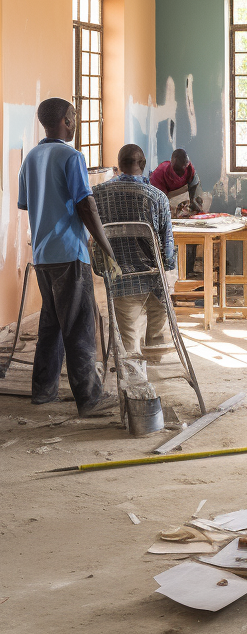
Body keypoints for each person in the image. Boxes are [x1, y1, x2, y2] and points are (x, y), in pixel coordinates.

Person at [17, 97, 120, 416]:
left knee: (51, 321)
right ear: (65, 120)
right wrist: (106, 246)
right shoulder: (72, 156)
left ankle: (43, 390)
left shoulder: (31, 158)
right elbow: (85, 204)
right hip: (69, 253)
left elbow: (26, 204)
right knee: (78, 323)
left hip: (43, 255)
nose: (75, 120)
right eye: (73, 115)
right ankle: (89, 398)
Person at [93, 144, 177, 361]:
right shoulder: (157, 197)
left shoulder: (98, 194)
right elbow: (167, 252)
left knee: (129, 344)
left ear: (119, 165)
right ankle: (155, 354)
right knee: (159, 326)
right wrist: (166, 271)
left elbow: (93, 240)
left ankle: (133, 373)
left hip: (120, 279)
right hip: (154, 279)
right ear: (143, 164)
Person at [149, 149, 203, 217]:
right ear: (171, 165)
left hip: (183, 194)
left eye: (182, 170)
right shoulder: (158, 174)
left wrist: (193, 204)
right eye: (177, 170)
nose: (180, 174)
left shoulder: (189, 169)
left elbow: (195, 189)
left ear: (186, 165)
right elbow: (159, 201)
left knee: (197, 206)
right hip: (164, 195)